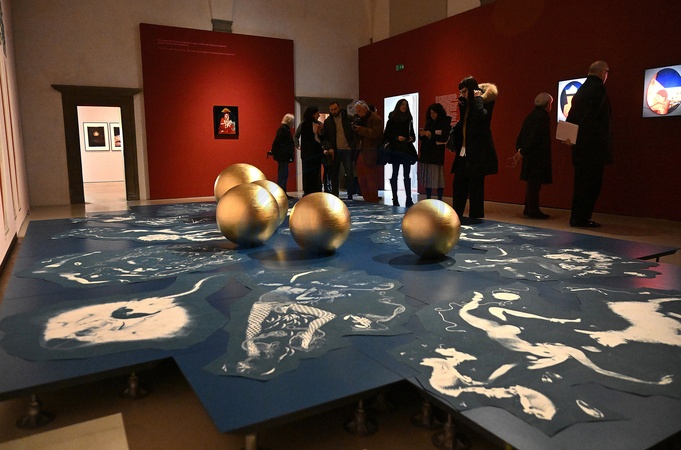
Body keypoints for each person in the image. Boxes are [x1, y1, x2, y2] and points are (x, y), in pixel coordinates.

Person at [565, 61, 612, 228]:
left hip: (580, 146)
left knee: (580, 183)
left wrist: (571, 137)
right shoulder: (599, 88)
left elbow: (572, 116)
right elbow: (592, 117)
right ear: (602, 72)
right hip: (593, 147)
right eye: (607, 72)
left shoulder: (582, 89)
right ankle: (582, 218)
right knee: (592, 184)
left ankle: (577, 217)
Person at [448, 76, 498, 222]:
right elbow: (464, 125)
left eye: (464, 91)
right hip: (463, 153)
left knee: (476, 189)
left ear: (471, 90)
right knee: (459, 186)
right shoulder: (466, 104)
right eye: (461, 92)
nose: (462, 95)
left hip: (477, 155)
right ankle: (456, 216)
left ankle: (475, 220)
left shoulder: (485, 102)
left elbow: (481, 119)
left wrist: (477, 100)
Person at [512, 93, 553, 219]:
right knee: (535, 184)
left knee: (532, 183)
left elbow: (522, 135)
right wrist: (524, 151)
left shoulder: (531, 116)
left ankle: (528, 207)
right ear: (547, 104)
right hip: (538, 156)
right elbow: (535, 137)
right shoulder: (543, 117)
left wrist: (521, 150)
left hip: (529, 156)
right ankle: (533, 210)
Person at [384, 99, 418, 207]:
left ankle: (409, 198)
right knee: (395, 173)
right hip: (396, 149)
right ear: (398, 106)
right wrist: (396, 138)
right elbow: (386, 135)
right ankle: (395, 197)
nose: (404, 107)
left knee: (407, 174)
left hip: (406, 148)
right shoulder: (392, 119)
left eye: (406, 105)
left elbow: (413, 134)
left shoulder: (409, 119)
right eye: (402, 104)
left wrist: (412, 138)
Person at [321, 101, 358, 200]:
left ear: (339, 108)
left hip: (347, 149)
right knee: (334, 174)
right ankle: (335, 195)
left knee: (349, 173)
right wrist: (329, 147)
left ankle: (350, 195)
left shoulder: (348, 119)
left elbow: (356, 133)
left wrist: (352, 145)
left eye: (335, 109)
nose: (334, 111)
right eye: (332, 110)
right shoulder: (328, 121)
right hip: (335, 150)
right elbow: (324, 137)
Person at [418, 103, 451, 201]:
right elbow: (423, 138)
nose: (432, 115)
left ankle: (439, 198)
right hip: (427, 154)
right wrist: (422, 134)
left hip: (436, 155)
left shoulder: (444, 122)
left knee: (438, 179)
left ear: (439, 113)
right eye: (431, 113)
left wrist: (431, 135)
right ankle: (428, 198)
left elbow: (444, 138)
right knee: (428, 179)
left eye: (434, 113)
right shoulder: (429, 123)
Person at [353, 100, 383, 203]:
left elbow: (376, 134)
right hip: (360, 151)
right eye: (357, 111)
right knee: (362, 179)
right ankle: (366, 199)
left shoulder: (376, 119)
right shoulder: (360, 119)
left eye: (359, 110)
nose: (358, 113)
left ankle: (373, 200)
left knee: (371, 178)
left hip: (370, 152)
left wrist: (361, 129)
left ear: (365, 109)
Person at [299, 106, 324, 196]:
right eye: (317, 113)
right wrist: (317, 131)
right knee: (312, 174)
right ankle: (312, 191)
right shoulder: (307, 124)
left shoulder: (306, 124)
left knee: (311, 174)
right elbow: (313, 138)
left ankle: (311, 191)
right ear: (313, 114)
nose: (319, 115)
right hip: (312, 153)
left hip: (310, 154)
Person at [270, 113, 295, 197]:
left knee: (283, 175)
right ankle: (281, 193)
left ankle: (282, 193)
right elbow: (278, 142)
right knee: (283, 175)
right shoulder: (284, 130)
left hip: (283, 156)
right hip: (283, 156)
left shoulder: (284, 129)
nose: (293, 123)